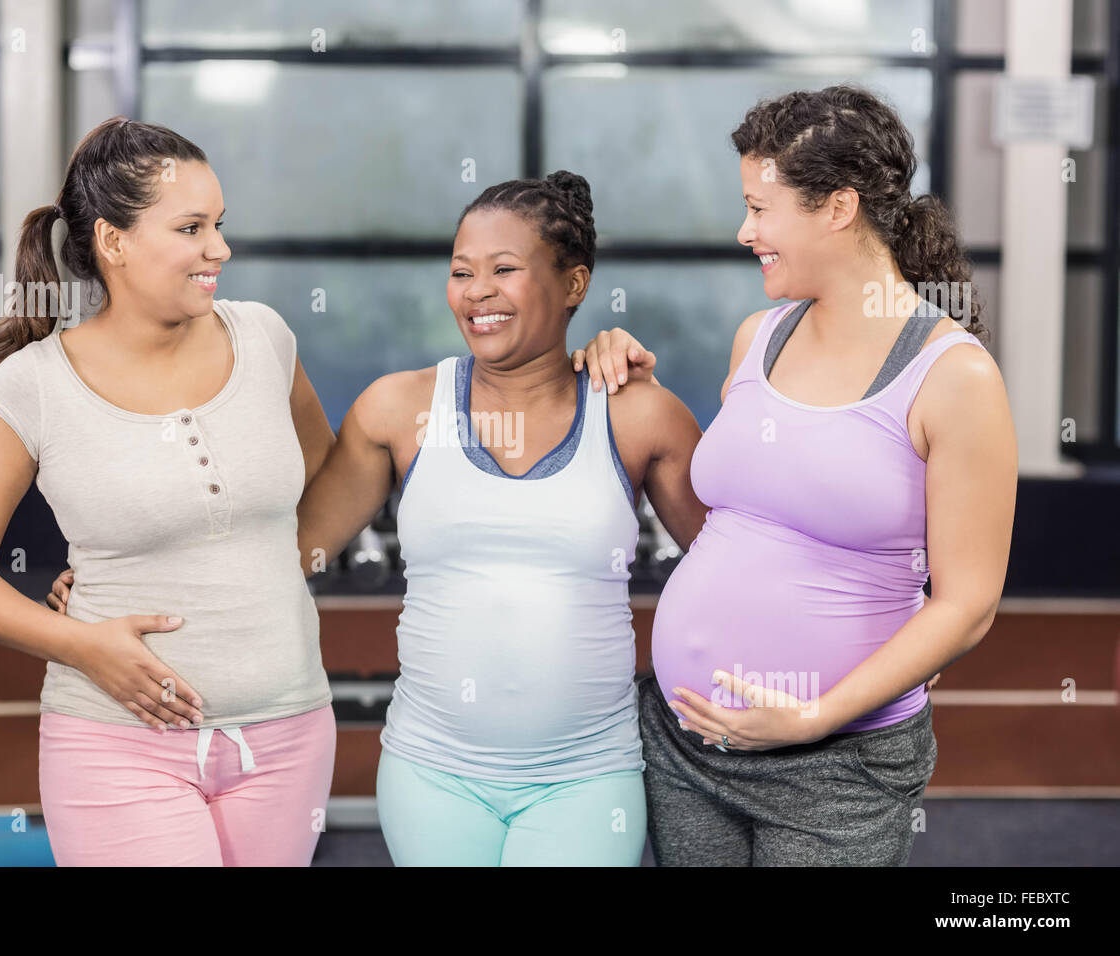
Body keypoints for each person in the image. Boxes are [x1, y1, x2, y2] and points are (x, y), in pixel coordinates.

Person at [53, 170, 710, 866]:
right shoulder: (398, 410)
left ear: (574, 285)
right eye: (461, 272)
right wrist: (117, 579)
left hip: (588, 776)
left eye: (504, 270)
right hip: (432, 776)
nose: (477, 291)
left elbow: (735, 562)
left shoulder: (641, 413)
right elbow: (285, 550)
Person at [577, 85, 1017, 866]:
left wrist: (816, 715)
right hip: (685, 740)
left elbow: (969, 606)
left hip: (836, 767)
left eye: (761, 208)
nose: (745, 231)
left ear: (838, 208)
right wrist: (625, 375)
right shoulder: (759, 336)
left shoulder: (955, 377)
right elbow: (743, 516)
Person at [0, 117, 338, 866]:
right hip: (120, 746)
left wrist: (264, 567)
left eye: (219, 224)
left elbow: (324, 475)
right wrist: (81, 643)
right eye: (191, 227)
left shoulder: (269, 338)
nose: (220, 249)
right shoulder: (34, 386)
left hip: (289, 735)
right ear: (113, 242)